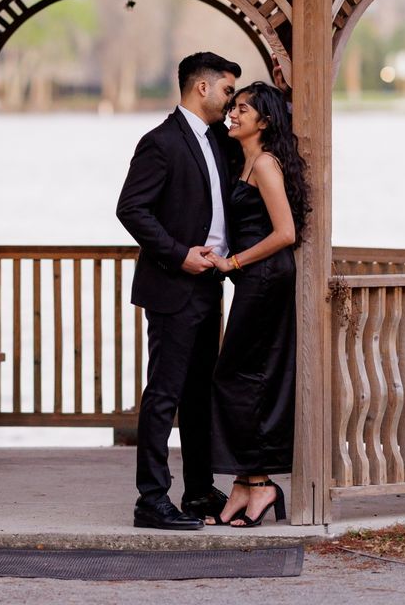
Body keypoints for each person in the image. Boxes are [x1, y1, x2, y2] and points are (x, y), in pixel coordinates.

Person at [115, 51, 243, 530]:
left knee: (199, 396)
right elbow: (131, 209)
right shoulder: (160, 142)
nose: (232, 103)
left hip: (211, 284)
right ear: (202, 88)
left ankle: (197, 490)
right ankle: (151, 499)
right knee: (164, 395)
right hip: (172, 285)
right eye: (228, 90)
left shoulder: (219, 143)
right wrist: (178, 253)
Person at [206, 80, 309, 527]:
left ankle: (261, 482)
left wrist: (234, 262)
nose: (234, 114)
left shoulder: (265, 164)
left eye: (243, 109)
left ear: (264, 120)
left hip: (266, 275)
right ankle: (245, 484)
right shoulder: (242, 160)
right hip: (255, 277)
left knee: (238, 377)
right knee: (242, 378)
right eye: (233, 107)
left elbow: (285, 233)